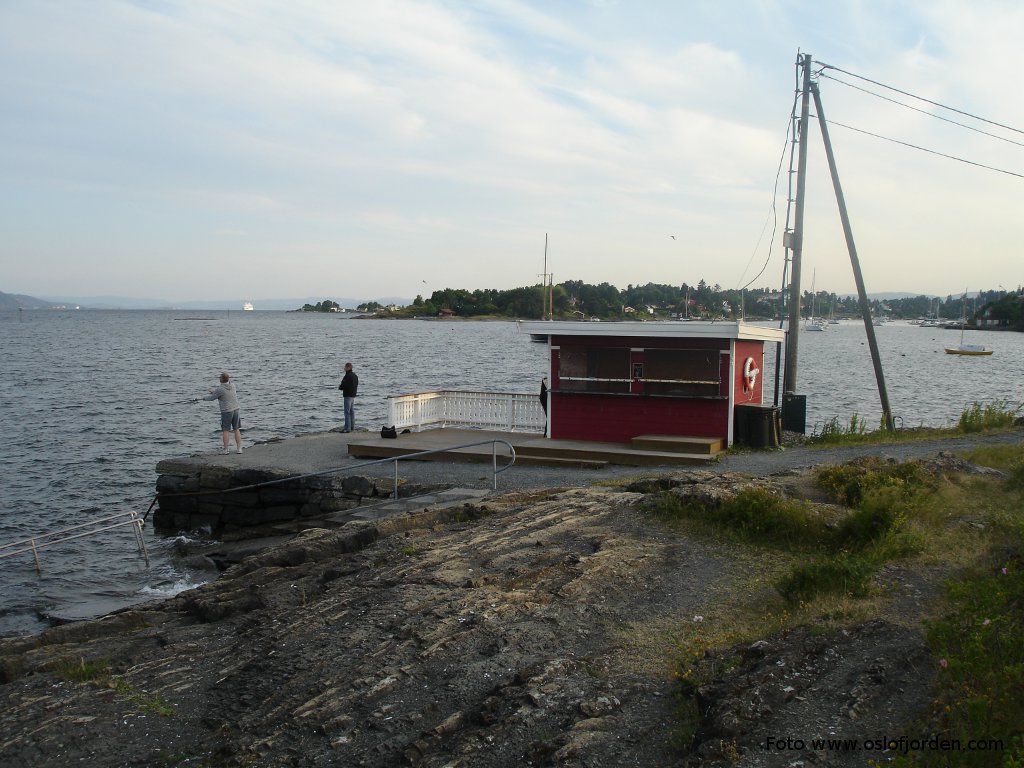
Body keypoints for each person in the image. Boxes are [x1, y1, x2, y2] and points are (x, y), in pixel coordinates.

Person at [196, 372, 243, 454]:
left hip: (227, 411)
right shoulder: (233, 385)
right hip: (236, 409)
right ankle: (239, 449)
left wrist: (201, 398)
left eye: (220, 377)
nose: (219, 378)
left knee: (225, 430)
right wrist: (214, 392)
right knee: (236, 429)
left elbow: (212, 398)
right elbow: (222, 393)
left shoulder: (220, 389)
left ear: (222, 379)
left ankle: (226, 450)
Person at [338, 362, 358, 432]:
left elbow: (343, 385)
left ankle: (347, 428)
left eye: (345, 367)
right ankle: (352, 427)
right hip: (353, 395)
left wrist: (340, 387)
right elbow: (356, 385)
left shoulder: (347, 376)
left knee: (347, 412)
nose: (344, 368)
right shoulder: (355, 376)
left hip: (347, 395)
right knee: (352, 412)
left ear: (349, 368)